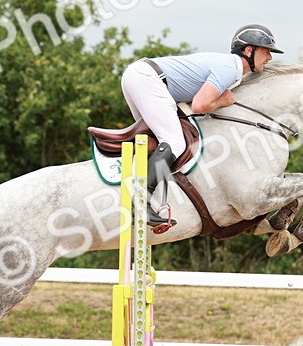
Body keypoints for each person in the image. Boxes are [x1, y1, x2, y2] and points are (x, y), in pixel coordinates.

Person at [120, 24, 284, 228]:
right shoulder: (230, 68)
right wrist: (221, 102)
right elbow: (199, 105)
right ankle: (140, 202)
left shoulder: (231, 70)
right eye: (266, 51)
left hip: (142, 77)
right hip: (147, 79)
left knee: (157, 142)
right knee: (174, 141)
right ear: (248, 50)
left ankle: (150, 199)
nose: (270, 57)